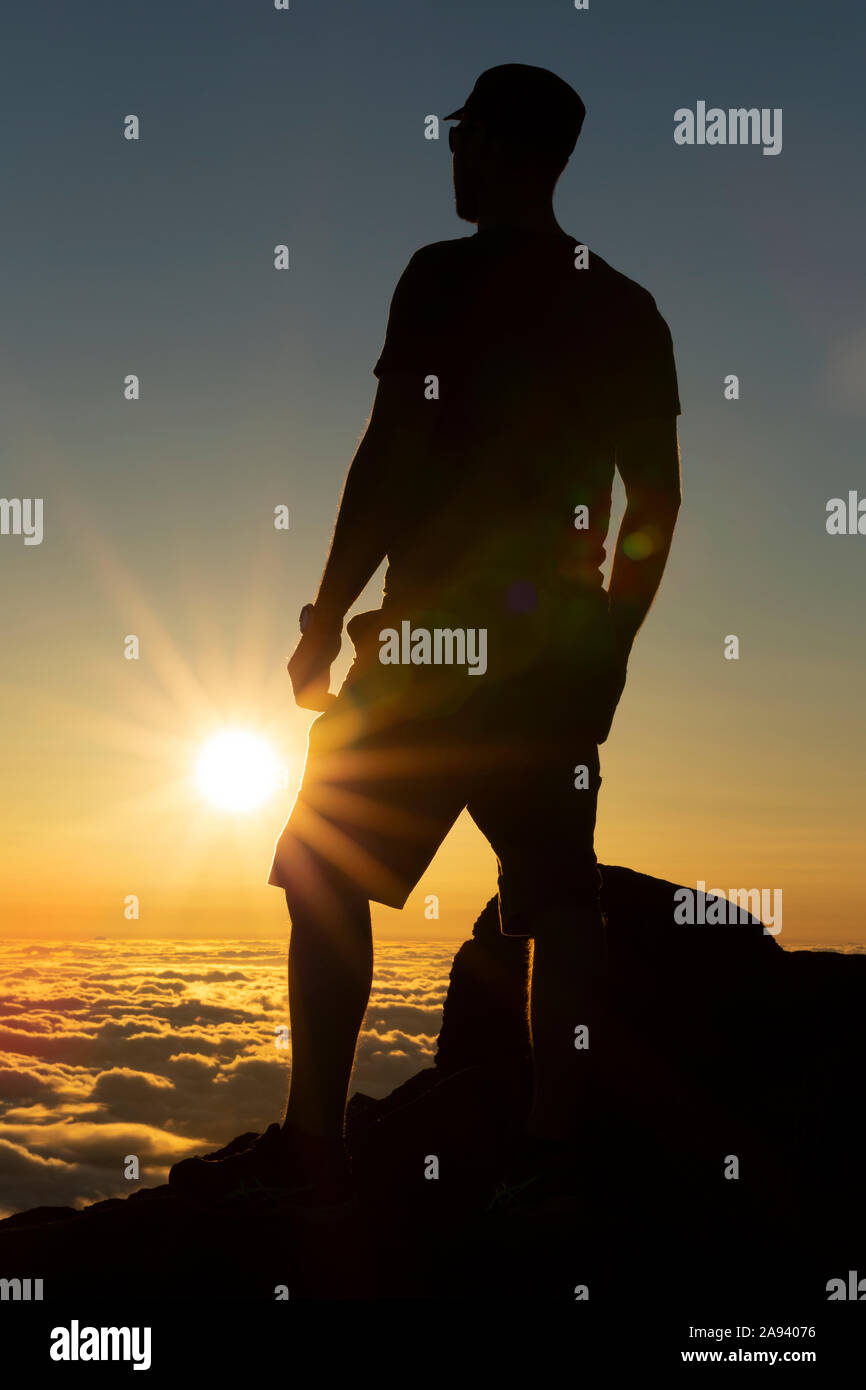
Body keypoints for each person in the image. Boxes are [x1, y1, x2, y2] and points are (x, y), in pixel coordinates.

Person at [170, 63, 682, 1213]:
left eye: (462, 134)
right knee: (557, 889)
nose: (449, 152)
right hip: (553, 652)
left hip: (427, 645)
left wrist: (321, 617)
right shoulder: (624, 305)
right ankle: (552, 1152)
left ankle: (315, 1144)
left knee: (321, 867)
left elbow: (387, 457)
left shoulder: (440, 278)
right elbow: (655, 503)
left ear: (501, 147)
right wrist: (608, 645)